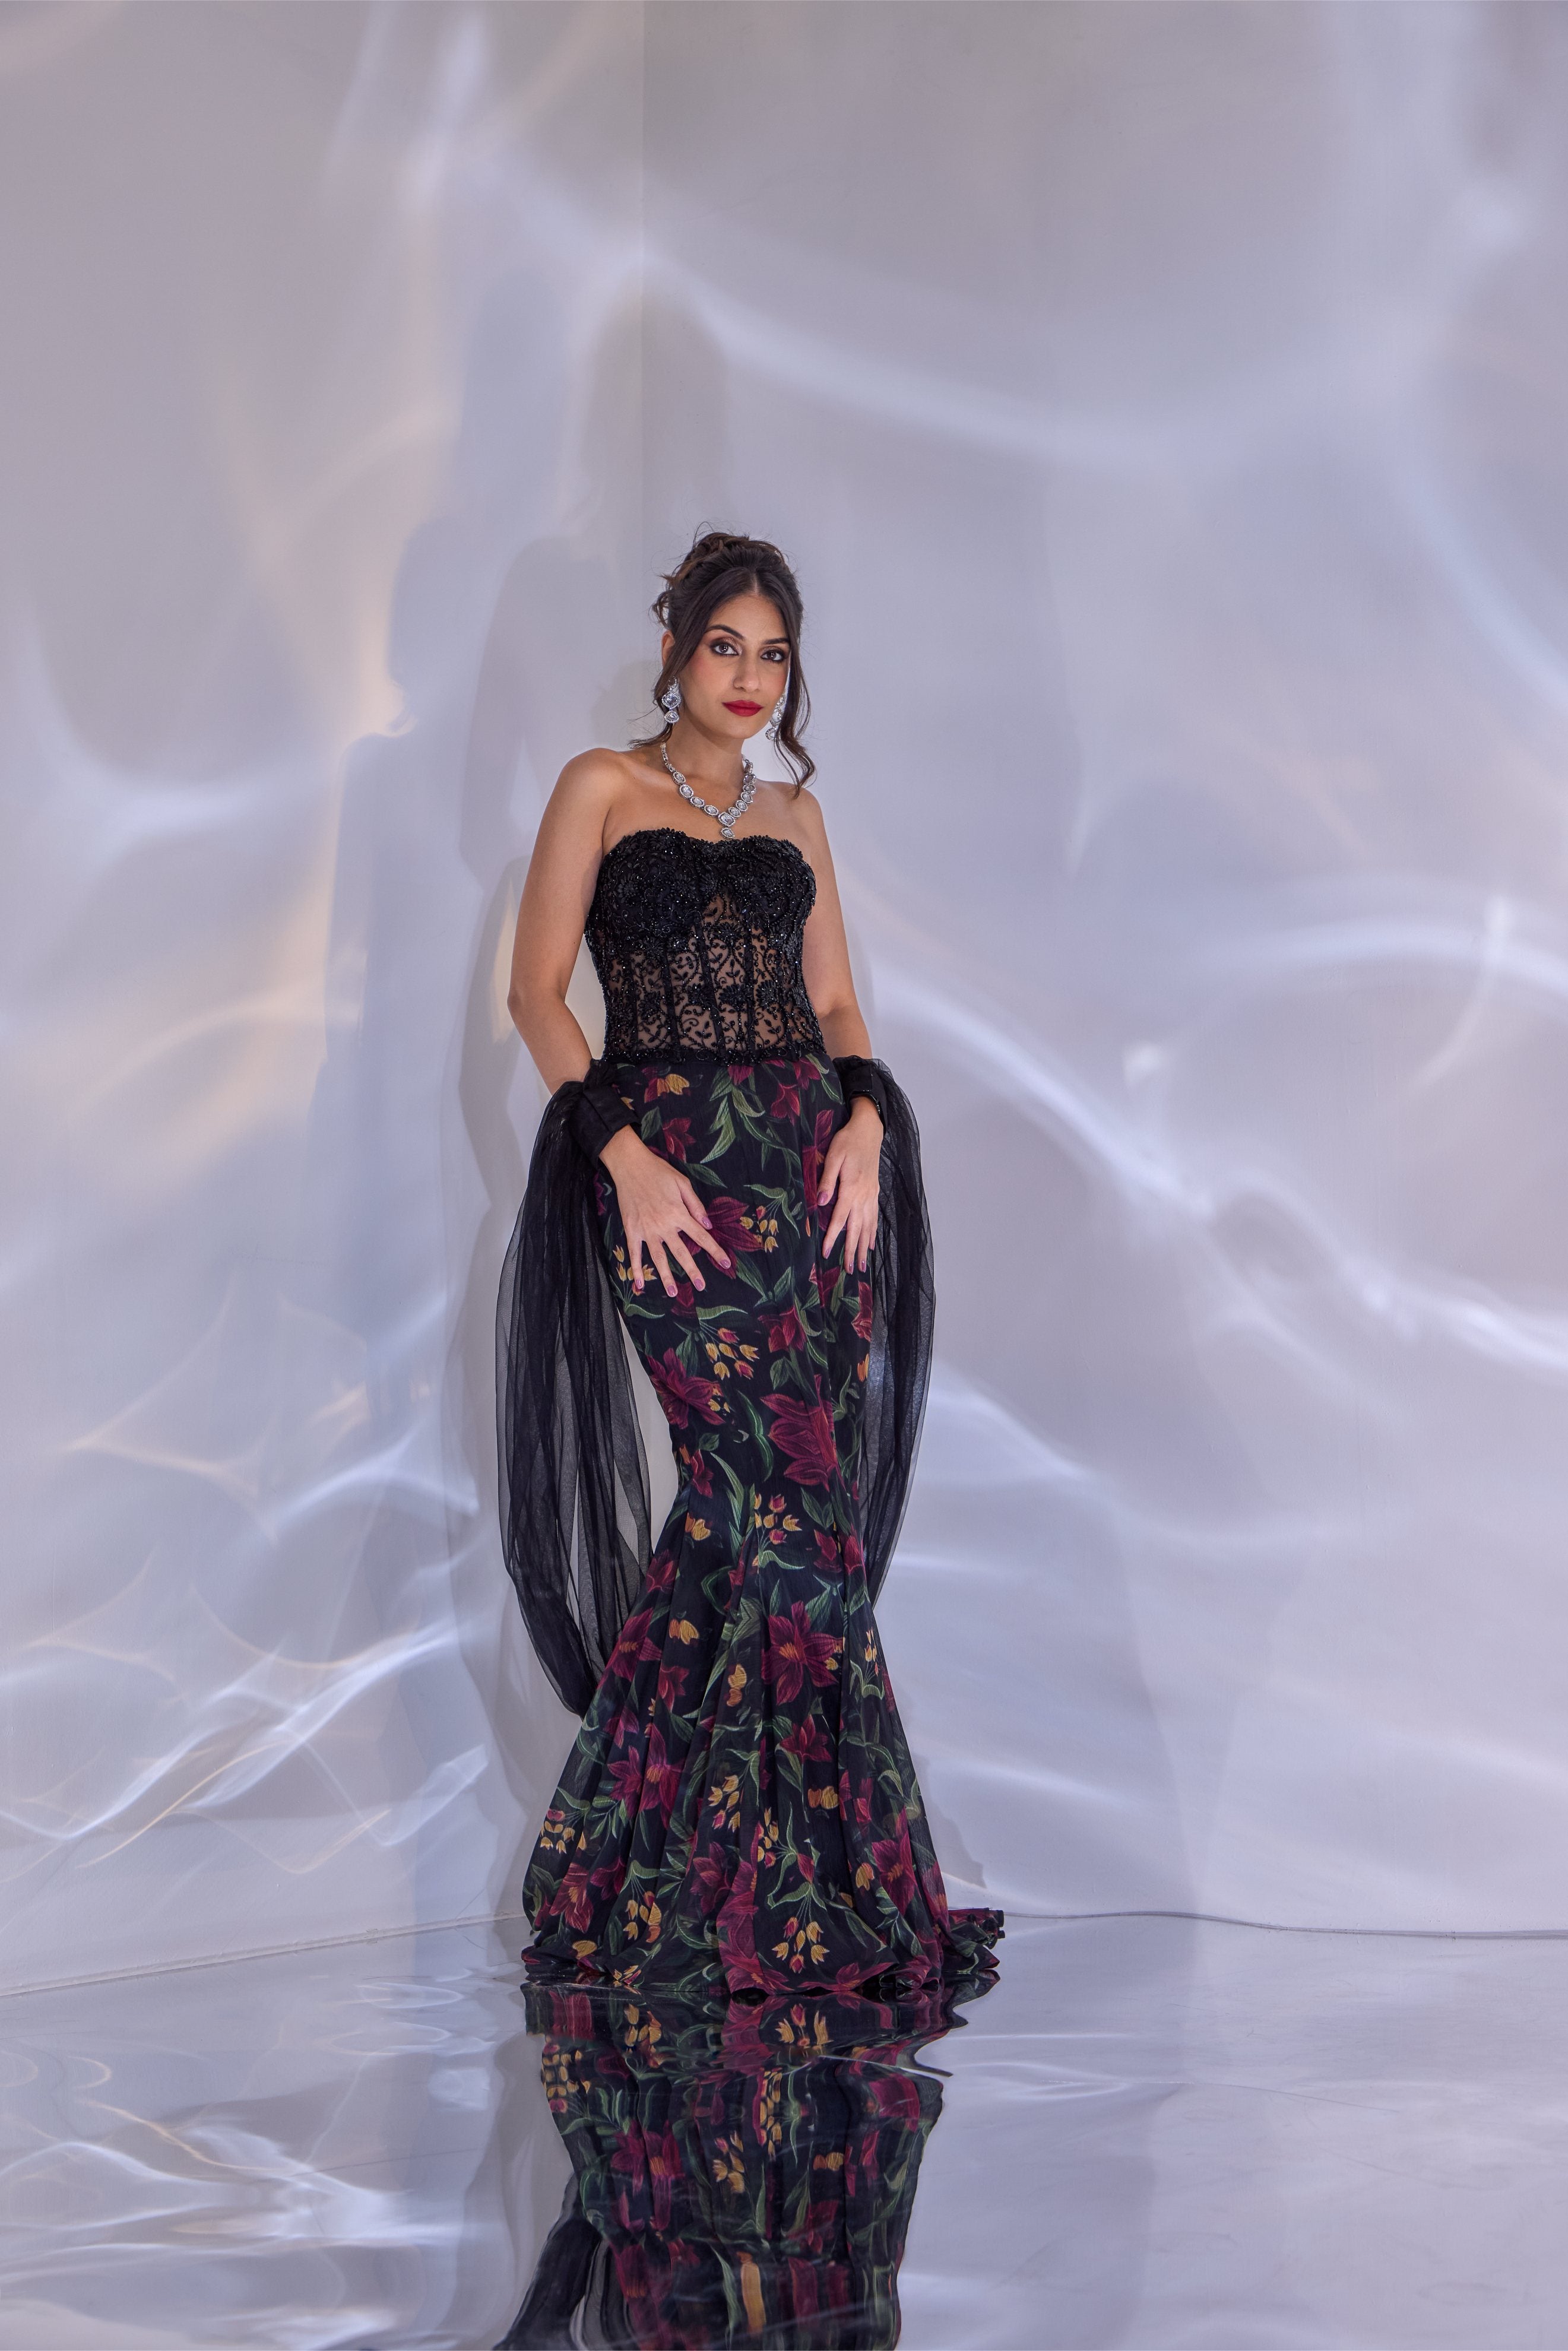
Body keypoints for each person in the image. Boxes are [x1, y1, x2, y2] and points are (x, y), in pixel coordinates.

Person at [497, 529, 1000, 1998]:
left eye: (773, 655)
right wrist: (619, 1152)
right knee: (749, 1491)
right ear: (675, 648)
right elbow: (535, 994)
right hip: (666, 1175)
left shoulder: (795, 815)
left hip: (807, 1173)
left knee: (795, 1510)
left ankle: (768, 1877)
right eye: (725, 645)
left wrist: (867, 1121)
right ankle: (687, 1873)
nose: (749, 677)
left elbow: (834, 1002)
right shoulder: (601, 785)